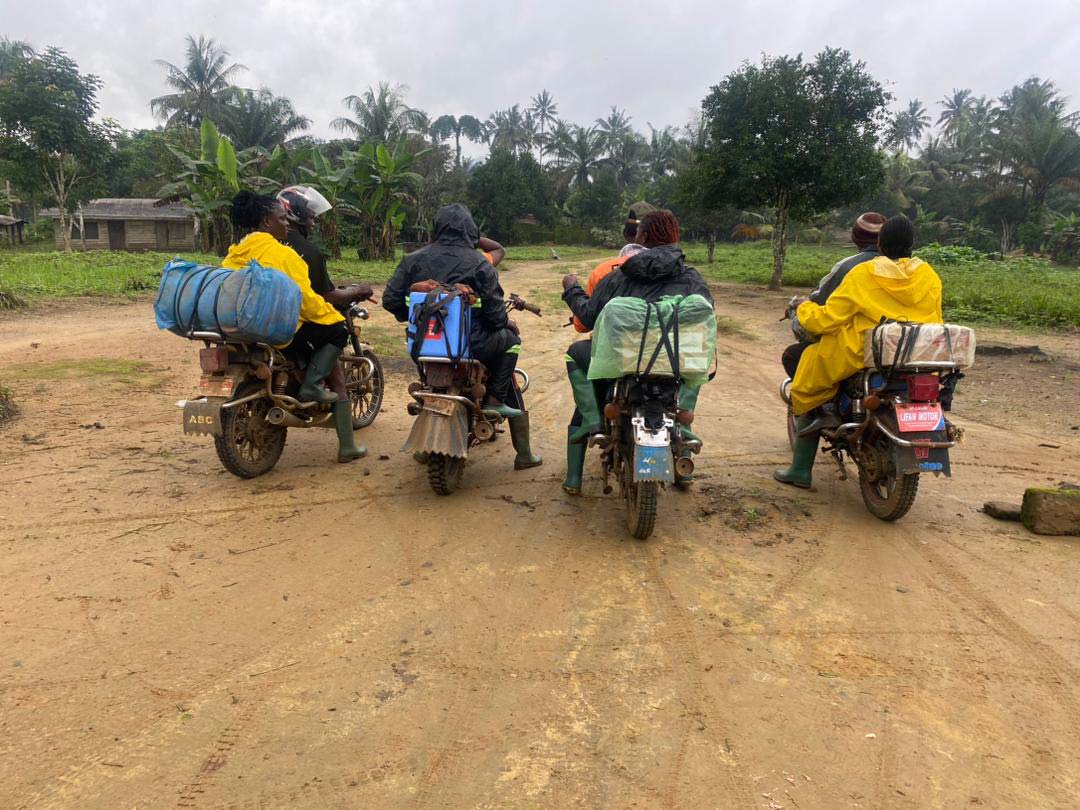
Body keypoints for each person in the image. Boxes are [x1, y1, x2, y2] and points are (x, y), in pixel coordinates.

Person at [775, 215, 943, 489]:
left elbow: (827, 319)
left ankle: (800, 469)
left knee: (806, 380)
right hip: (915, 355)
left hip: (861, 354)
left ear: (880, 242)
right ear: (913, 244)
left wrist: (804, 308)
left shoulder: (864, 273)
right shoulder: (928, 275)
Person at [560, 209, 713, 494]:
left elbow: (588, 317)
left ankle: (592, 424)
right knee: (694, 366)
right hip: (674, 363)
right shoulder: (693, 278)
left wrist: (572, 289)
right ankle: (685, 430)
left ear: (642, 237)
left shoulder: (620, 276)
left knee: (574, 353)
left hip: (623, 361)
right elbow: (704, 320)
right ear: (675, 237)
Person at [383, 203, 541, 471]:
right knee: (512, 342)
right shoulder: (479, 262)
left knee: (424, 368)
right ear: (471, 231)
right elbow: (494, 314)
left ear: (436, 229)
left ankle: (427, 422)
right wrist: (506, 324)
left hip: (423, 345)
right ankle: (495, 401)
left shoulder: (413, 259)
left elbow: (390, 300)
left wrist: (412, 315)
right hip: (473, 346)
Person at [221, 191, 367, 463]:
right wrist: (330, 316)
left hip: (243, 327)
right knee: (337, 330)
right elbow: (306, 299)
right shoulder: (284, 254)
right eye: (280, 219)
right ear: (267, 221)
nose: (286, 224)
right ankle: (312, 386)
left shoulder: (235, 252)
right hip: (278, 331)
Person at [278, 185, 374, 405]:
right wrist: (358, 290)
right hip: (295, 320)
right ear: (298, 216)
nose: (313, 223)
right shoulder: (309, 251)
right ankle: (314, 387)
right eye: (312, 218)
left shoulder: (264, 244)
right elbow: (327, 295)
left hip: (262, 317)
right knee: (337, 331)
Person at [781, 212, 886, 378]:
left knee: (793, 354)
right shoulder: (914, 270)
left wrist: (800, 305)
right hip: (900, 346)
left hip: (854, 347)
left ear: (855, 237)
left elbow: (819, 301)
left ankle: (818, 402)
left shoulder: (850, 267)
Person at [571, 202, 653, 333]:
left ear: (625, 234)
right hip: (662, 348)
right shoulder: (678, 271)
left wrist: (571, 290)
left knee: (576, 351)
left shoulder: (602, 272)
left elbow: (582, 325)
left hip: (617, 348)